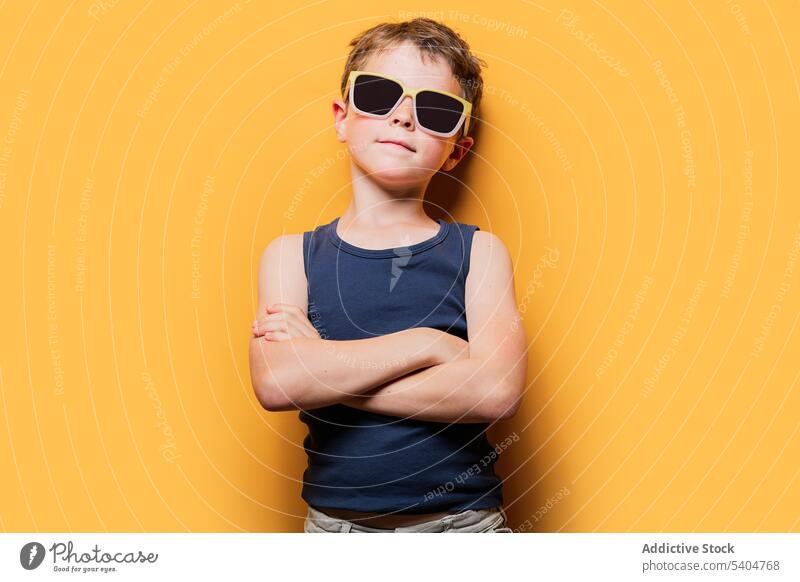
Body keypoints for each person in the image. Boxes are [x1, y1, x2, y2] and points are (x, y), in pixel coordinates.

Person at [248, 17, 527, 533]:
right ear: (341, 117)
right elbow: (276, 382)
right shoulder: (290, 256)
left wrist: (324, 373)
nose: (403, 118)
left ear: (456, 151)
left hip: (463, 530)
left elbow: (495, 392)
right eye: (379, 94)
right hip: (335, 533)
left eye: (436, 110)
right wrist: (427, 345)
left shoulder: (479, 254)